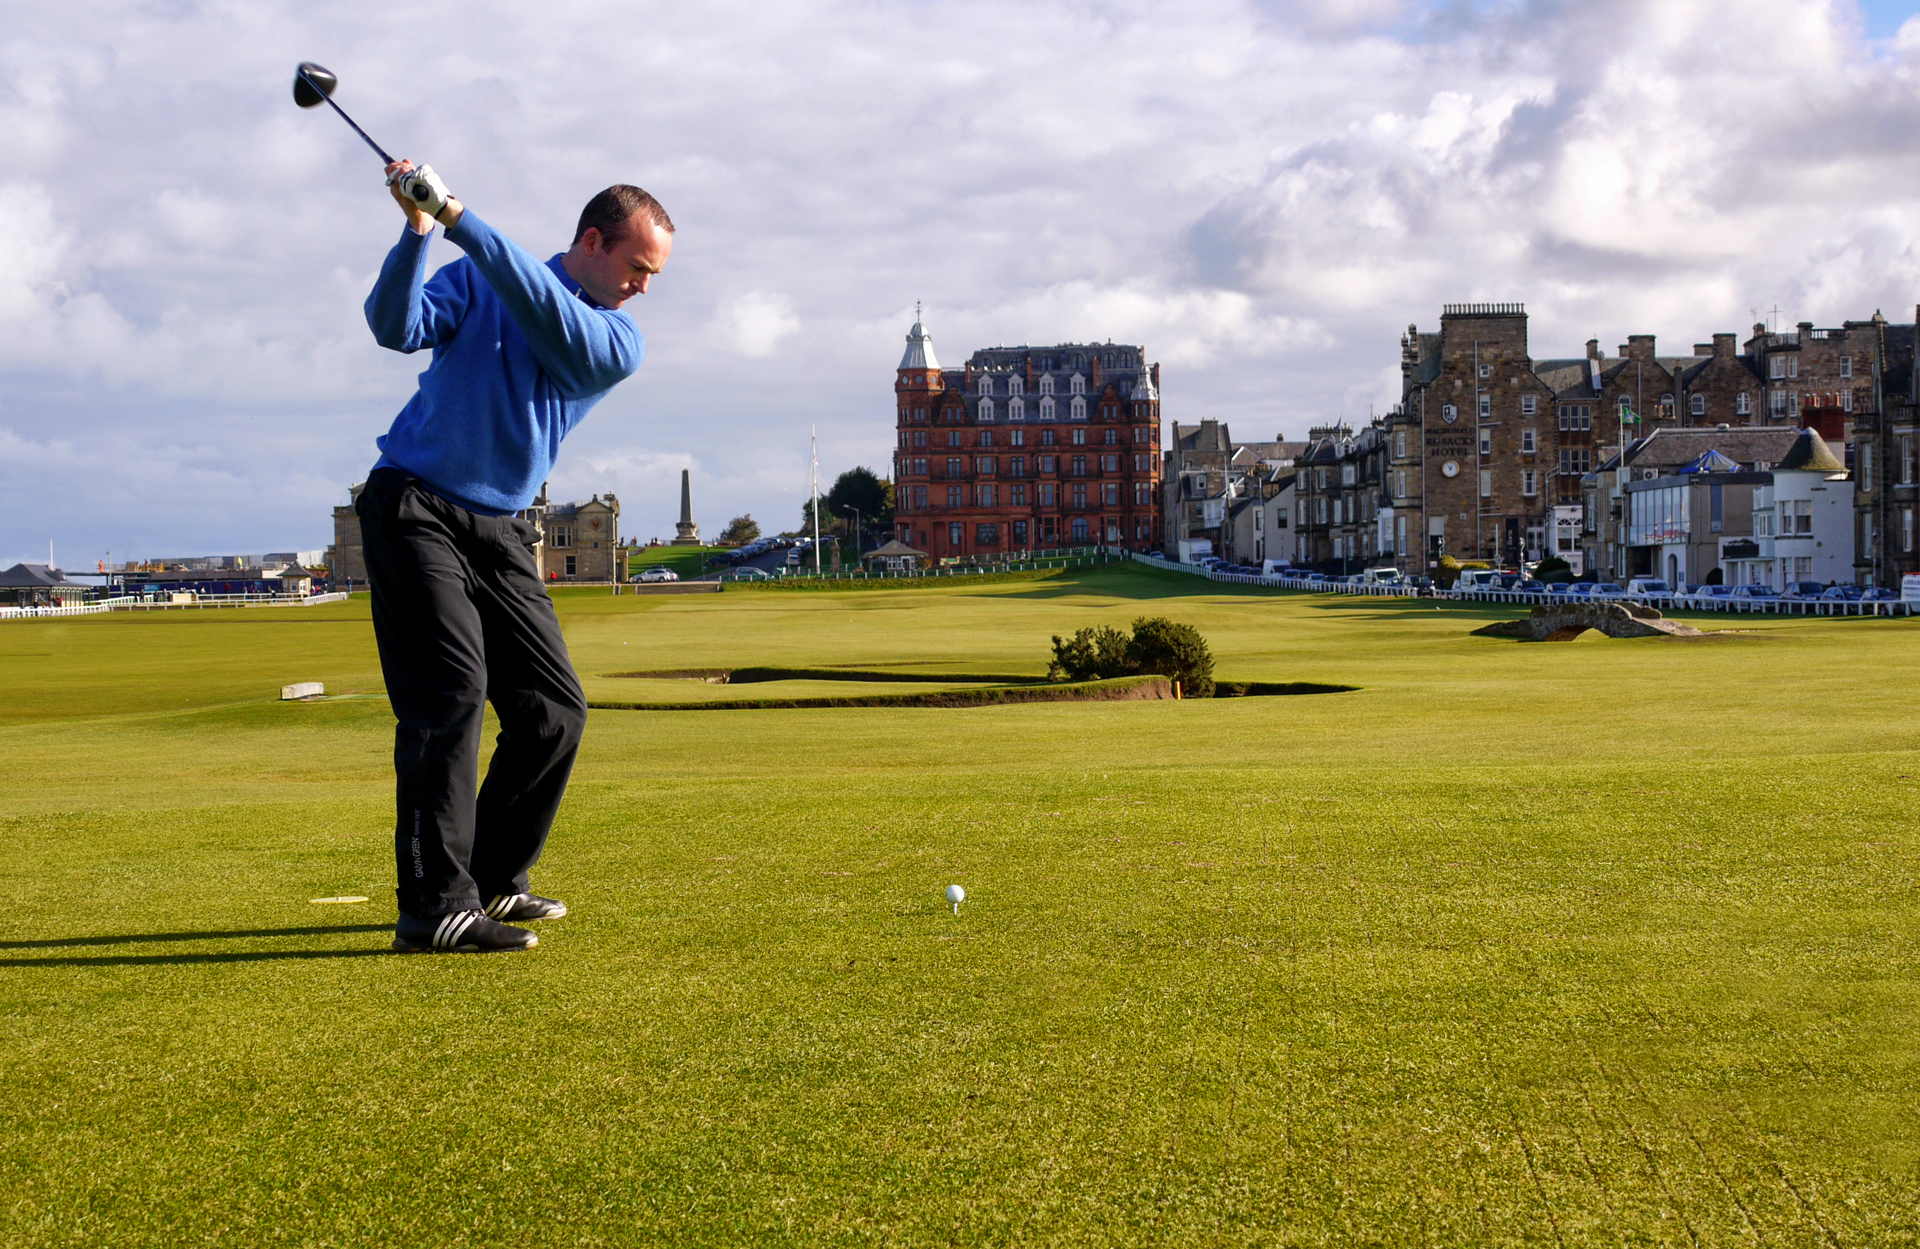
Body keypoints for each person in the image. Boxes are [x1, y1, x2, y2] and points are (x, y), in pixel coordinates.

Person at [354, 160, 674, 953]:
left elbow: (540, 307)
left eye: (653, 275)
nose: (643, 287)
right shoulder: (480, 276)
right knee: (450, 694)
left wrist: (460, 214)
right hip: (414, 505)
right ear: (593, 242)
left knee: (553, 710)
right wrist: (419, 232)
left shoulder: (615, 338)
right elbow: (394, 327)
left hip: (500, 527)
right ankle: (433, 905)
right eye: (637, 267)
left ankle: (495, 873)